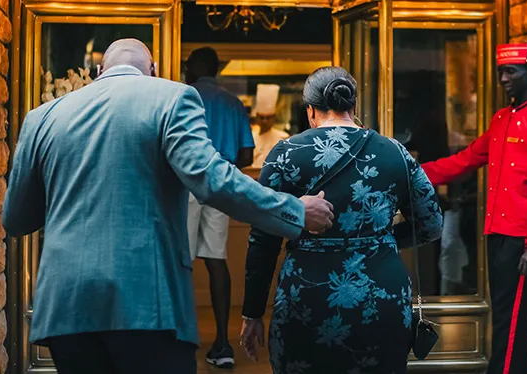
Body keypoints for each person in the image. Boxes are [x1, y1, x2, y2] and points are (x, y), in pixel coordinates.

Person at [2, 39, 335, 374]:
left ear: (98, 72)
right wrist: (294, 210)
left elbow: (15, 219)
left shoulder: (40, 118)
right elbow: (213, 179)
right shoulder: (172, 98)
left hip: (64, 305)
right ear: (154, 71)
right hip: (146, 305)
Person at [240, 66, 444, 374]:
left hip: (307, 296)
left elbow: (263, 239)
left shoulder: (285, 154)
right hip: (381, 294)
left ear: (310, 111)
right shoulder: (395, 152)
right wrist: (383, 238)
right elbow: (431, 224)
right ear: (354, 107)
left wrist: (252, 313)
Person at [419, 43, 527, 374]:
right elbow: (467, 159)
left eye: (510, 71)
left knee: (513, 321)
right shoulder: (502, 119)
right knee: (504, 318)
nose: (503, 78)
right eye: (501, 71)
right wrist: (416, 172)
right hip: (495, 234)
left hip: (522, 241)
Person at [183, 46, 253, 368]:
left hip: (184, 184)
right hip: (220, 184)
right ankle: (223, 345)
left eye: (187, 65)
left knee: (179, 261)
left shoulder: (183, 95)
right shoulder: (232, 102)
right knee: (216, 260)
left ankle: (180, 340)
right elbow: (248, 156)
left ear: (195, 67)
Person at [251, 83, 289, 166]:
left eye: (268, 118)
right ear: (256, 117)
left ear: (274, 118)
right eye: (262, 117)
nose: (265, 121)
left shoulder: (283, 137)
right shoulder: (251, 138)